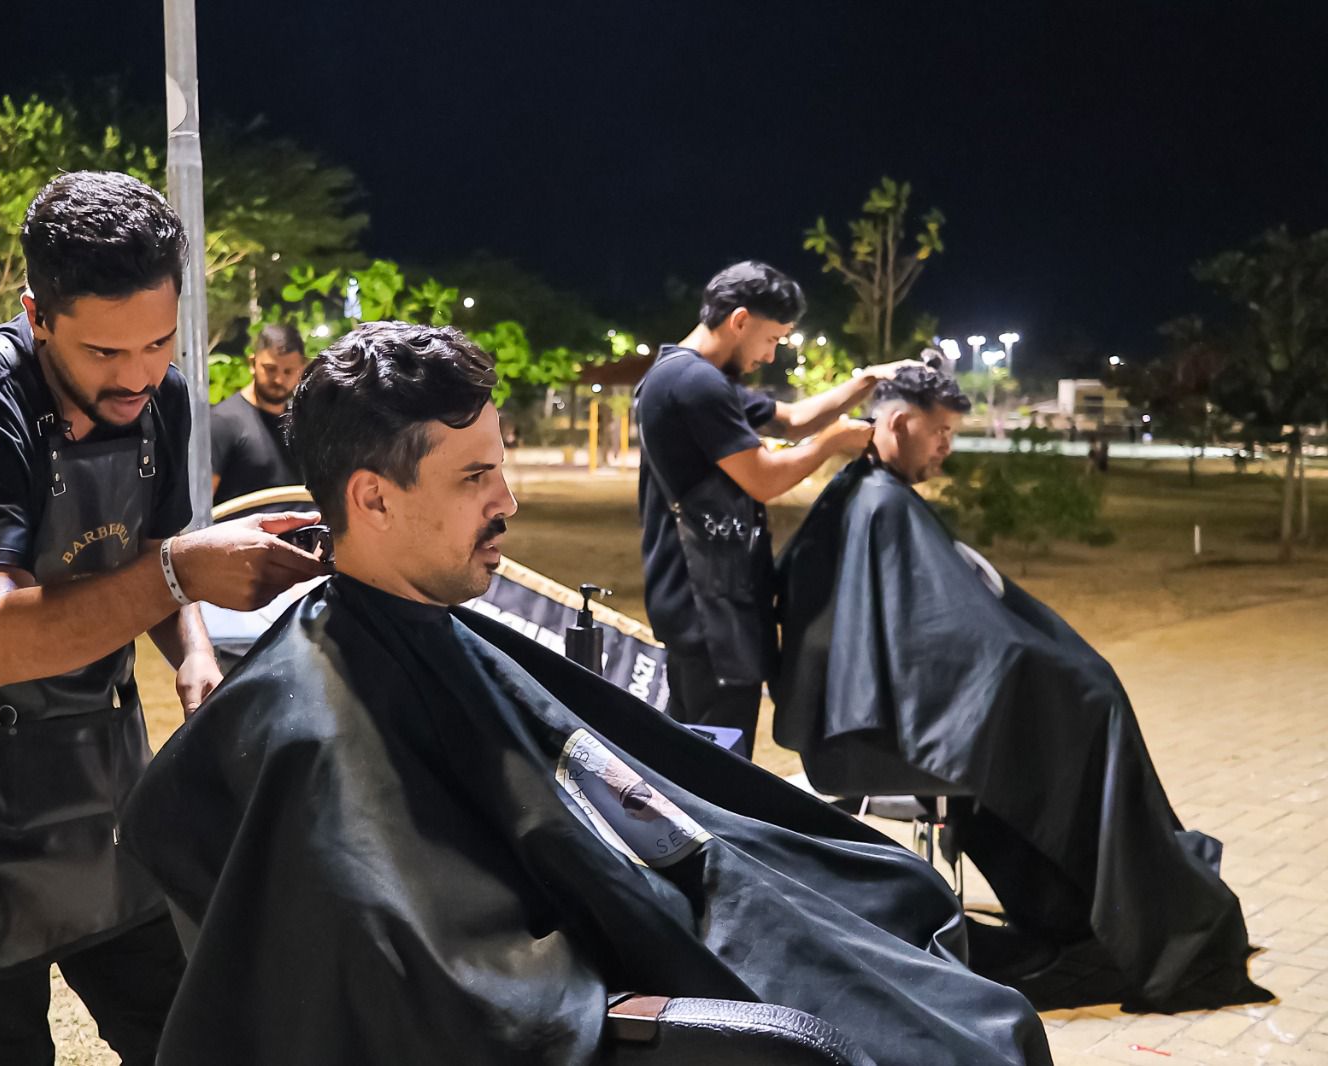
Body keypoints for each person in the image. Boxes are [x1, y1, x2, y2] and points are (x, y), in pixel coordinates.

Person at [120, 321, 1052, 1066]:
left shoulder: (436, 634)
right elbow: (447, 987)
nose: (508, 502)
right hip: (646, 977)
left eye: (501, 466)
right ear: (372, 498)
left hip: (671, 914)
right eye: (475, 476)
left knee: (913, 918)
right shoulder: (314, 721)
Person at [0, 171, 330, 1064]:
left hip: (93, 751)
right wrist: (184, 573)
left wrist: (192, 653)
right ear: (36, 315)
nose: (137, 374)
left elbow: (152, 550)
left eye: (158, 342)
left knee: (179, 1018)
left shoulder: (162, 399)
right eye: (104, 351)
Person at [771, 365, 1269, 1012]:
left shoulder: (871, 495)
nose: (947, 446)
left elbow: (946, 624)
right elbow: (952, 636)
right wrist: (1059, 679)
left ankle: (1076, 913)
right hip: (886, 734)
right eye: (940, 431)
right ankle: (1137, 920)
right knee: (1082, 727)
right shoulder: (881, 503)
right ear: (898, 423)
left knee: (1073, 722)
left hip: (881, 717)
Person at [635, 261, 912, 755]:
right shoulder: (695, 384)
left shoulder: (689, 376)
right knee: (717, 763)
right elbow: (763, 478)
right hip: (709, 605)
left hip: (704, 602)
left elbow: (791, 420)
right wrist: (834, 442)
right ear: (740, 320)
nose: (771, 354)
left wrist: (865, 381)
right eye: (772, 338)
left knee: (688, 755)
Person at [210, 322, 305, 509]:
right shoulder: (222, 422)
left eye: (288, 371)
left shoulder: (303, 423)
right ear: (252, 363)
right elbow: (202, 503)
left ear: (301, 370)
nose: (279, 379)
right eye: (270, 369)